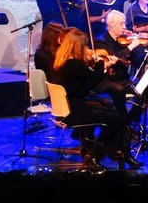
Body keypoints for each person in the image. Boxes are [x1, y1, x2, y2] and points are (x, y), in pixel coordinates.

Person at [52, 27, 143, 170]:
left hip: (71, 107)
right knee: (118, 119)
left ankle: (116, 151)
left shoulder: (63, 62)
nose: (86, 48)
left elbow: (85, 84)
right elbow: (94, 80)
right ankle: (97, 154)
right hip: (76, 111)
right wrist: (100, 64)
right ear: (77, 46)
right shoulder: (74, 64)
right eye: (84, 46)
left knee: (112, 113)